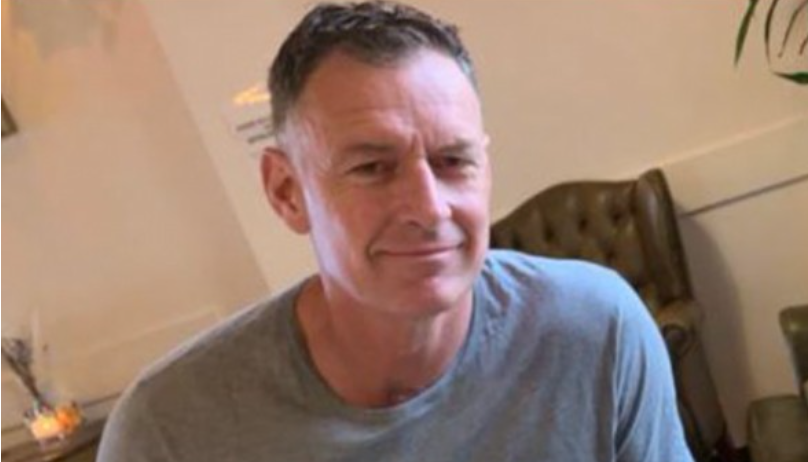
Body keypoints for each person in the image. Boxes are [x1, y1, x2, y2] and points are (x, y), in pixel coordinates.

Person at [98, 2, 693, 461]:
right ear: (286, 192)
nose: (429, 208)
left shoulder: (595, 330)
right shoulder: (169, 430)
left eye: (453, 161)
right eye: (372, 168)